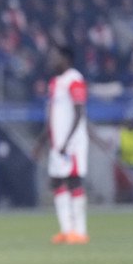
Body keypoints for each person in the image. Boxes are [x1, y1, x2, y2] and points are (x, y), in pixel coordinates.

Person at [41, 45, 90, 244]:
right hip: (57, 143)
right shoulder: (54, 82)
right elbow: (53, 116)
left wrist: (68, 141)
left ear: (66, 59)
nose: (51, 61)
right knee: (56, 181)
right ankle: (66, 230)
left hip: (72, 143)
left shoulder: (74, 79)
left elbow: (79, 113)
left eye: (55, 57)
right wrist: (41, 142)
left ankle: (80, 231)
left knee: (74, 180)